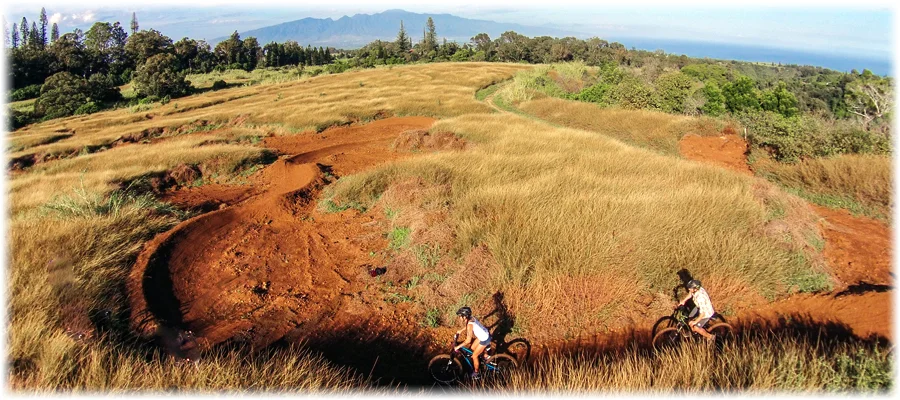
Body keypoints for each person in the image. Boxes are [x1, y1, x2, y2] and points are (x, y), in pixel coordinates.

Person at [454, 306, 491, 379]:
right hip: (484, 335)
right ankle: (485, 354)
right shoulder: (471, 318)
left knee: (474, 356)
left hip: (484, 339)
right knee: (472, 348)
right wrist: (461, 331)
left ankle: (477, 373)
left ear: (464, 317)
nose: (459, 317)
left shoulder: (469, 324)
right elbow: (468, 326)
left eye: (460, 316)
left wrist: (458, 346)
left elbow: (468, 341)